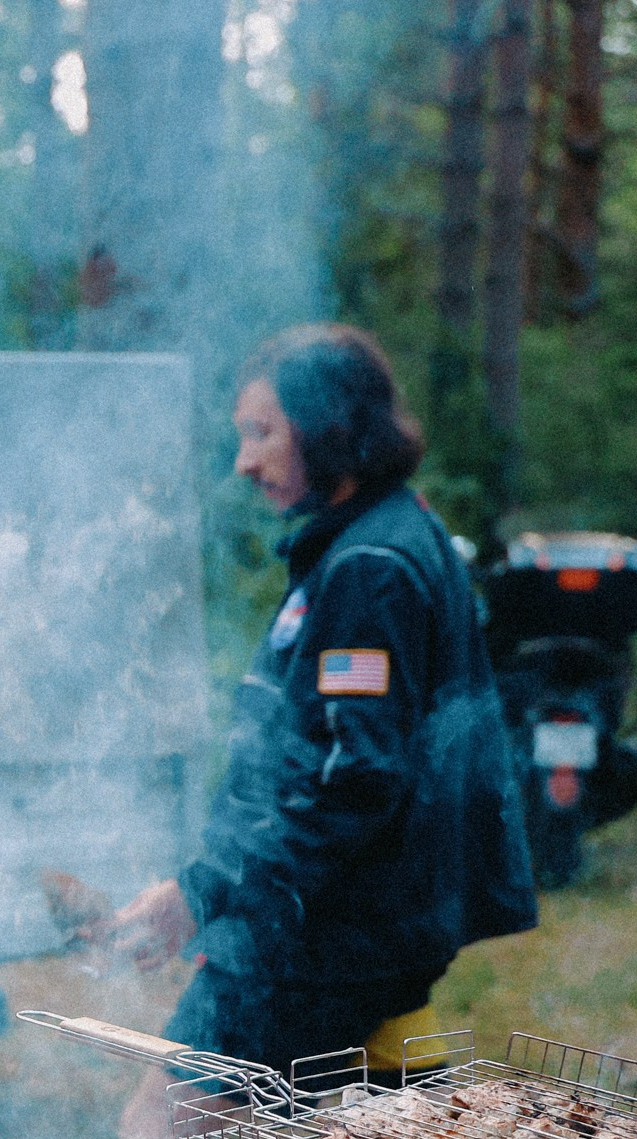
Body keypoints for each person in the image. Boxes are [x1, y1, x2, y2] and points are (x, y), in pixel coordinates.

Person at [103, 324, 536, 1084]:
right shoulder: (380, 536)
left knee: (166, 1118)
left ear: (328, 427)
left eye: (262, 433)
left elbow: (350, 780)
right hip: (363, 924)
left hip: (331, 937)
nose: (244, 461)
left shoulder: (369, 566)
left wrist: (203, 892)